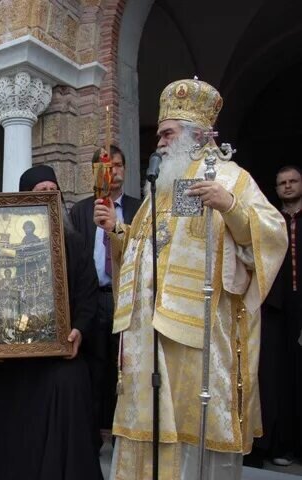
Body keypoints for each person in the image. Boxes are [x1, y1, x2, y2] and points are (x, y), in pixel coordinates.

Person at [93, 79, 287, 479]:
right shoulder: (160, 188)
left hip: (198, 333)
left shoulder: (232, 178)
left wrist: (230, 205)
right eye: (161, 134)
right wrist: (117, 231)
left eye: (168, 133)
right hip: (149, 333)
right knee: (148, 425)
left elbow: (273, 233)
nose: (160, 142)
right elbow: (149, 250)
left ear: (198, 135)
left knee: (188, 430)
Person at [0, 164, 102, 480]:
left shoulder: (74, 244)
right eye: (40, 193)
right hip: (15, 359)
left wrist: (79, 330)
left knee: (70, 381)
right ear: (24, 201)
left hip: (60, 353)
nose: (49, 196)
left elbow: (88, 297)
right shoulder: (6, 250)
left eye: (53, 191)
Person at [70, 145, 141, 449]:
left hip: (127, 298)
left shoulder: (141, 210)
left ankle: (123, 434)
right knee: (92, 366)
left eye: (118, 165)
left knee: (124, 365)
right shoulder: (81, 210)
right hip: (92, 299)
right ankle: (92, 435)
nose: (112, 172)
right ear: (95, 172)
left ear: (125, 169)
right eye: (105, 167)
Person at [252, 165, 302, 467]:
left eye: (293, 181)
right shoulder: (271, 221)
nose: (287, 186)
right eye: (282, 182)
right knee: (275, 376)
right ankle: (276, 444)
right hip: (275, 307)